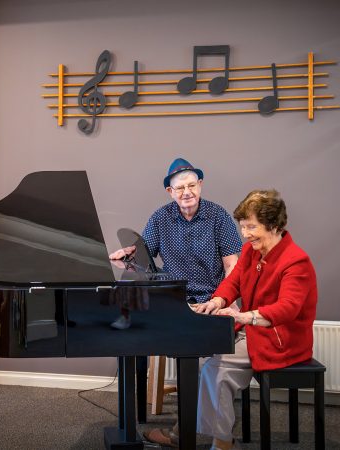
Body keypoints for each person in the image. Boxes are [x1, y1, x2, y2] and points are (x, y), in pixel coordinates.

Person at [193, 189, 318, 450]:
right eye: (243, 227)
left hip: (281, 340)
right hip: (254, 332)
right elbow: (234, 282)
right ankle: (219, 436)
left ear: (274, 225)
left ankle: (223, 443)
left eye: (252, 227)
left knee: (215, 368)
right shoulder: (251, 251)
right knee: (207, 357)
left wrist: (243, 316)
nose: (246, 234)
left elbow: (288, 308)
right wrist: (215, 302)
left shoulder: (297, 261)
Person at [109, 157, 242, 329]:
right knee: (138, 331)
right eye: (179, 188)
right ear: (170, 191)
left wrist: (226, 299)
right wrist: (128, 254)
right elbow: (143, 256)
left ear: (200, 184)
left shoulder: (219, 216)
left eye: (191, 185)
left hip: (212, 301)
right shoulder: (160, 218)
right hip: (173, 301)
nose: (187, 192)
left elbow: (232, 265)